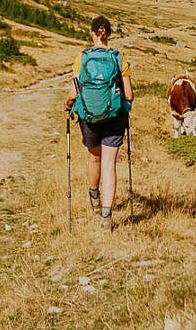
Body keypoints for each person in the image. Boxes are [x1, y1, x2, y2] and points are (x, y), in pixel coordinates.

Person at [64, 15, 133, 231]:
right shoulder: (118, 58)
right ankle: (106, 215)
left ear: (92, 33)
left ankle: (93, 195)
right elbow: (129, 95)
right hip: (114, 117)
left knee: (94, 158)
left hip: (89, 117)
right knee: (109, 164)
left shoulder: (82, 58)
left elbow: (75, 91)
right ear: (109, 34)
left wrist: (68, 103)